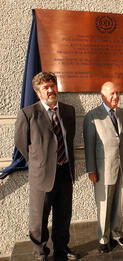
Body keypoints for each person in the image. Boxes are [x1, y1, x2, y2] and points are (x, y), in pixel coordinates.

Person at [14, 72, 79, 261]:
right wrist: (40, 161)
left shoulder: (68, 111)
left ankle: (62, 249)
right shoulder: (28, 114)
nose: (50, 90)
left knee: (63, 214)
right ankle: (40, 252)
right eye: (45, 87)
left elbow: (69, 137)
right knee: (39, 217)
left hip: (65, 171)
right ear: (37, 92)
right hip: (42, 175)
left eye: (52, 86)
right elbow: (21, 144)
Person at [83, 82, 123, 253]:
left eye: (117, 93)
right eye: (112, 94)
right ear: (102, 96)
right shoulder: (92, 116)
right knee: (104, 206)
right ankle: (103, 239)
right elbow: (89, 146)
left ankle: (116, 233)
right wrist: (91, 169)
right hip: (102, 170)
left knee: (119, 204)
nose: (116, 97)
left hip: (122, 168)